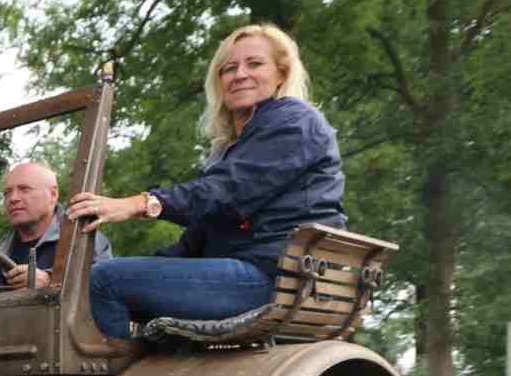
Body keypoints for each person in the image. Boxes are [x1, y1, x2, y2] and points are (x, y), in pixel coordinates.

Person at [66, 24, 346, 342]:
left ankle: (115, 372)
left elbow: (227, 192)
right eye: (229, 68)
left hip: (276, 279)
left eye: (254, 64)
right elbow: (198, 238)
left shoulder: (295, 121)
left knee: (106, 281)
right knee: (103, 279)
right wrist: (121, 270)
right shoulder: (235, 148)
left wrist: (141, 203)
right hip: (259, 274)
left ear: (281, 74)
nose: (239, 74)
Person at [0, 160, 111, 290]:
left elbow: (104, 288)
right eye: (7, 193)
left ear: (53, 195)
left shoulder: (84, 242)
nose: (13, 198)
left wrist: (50, 281)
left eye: (24, 189)